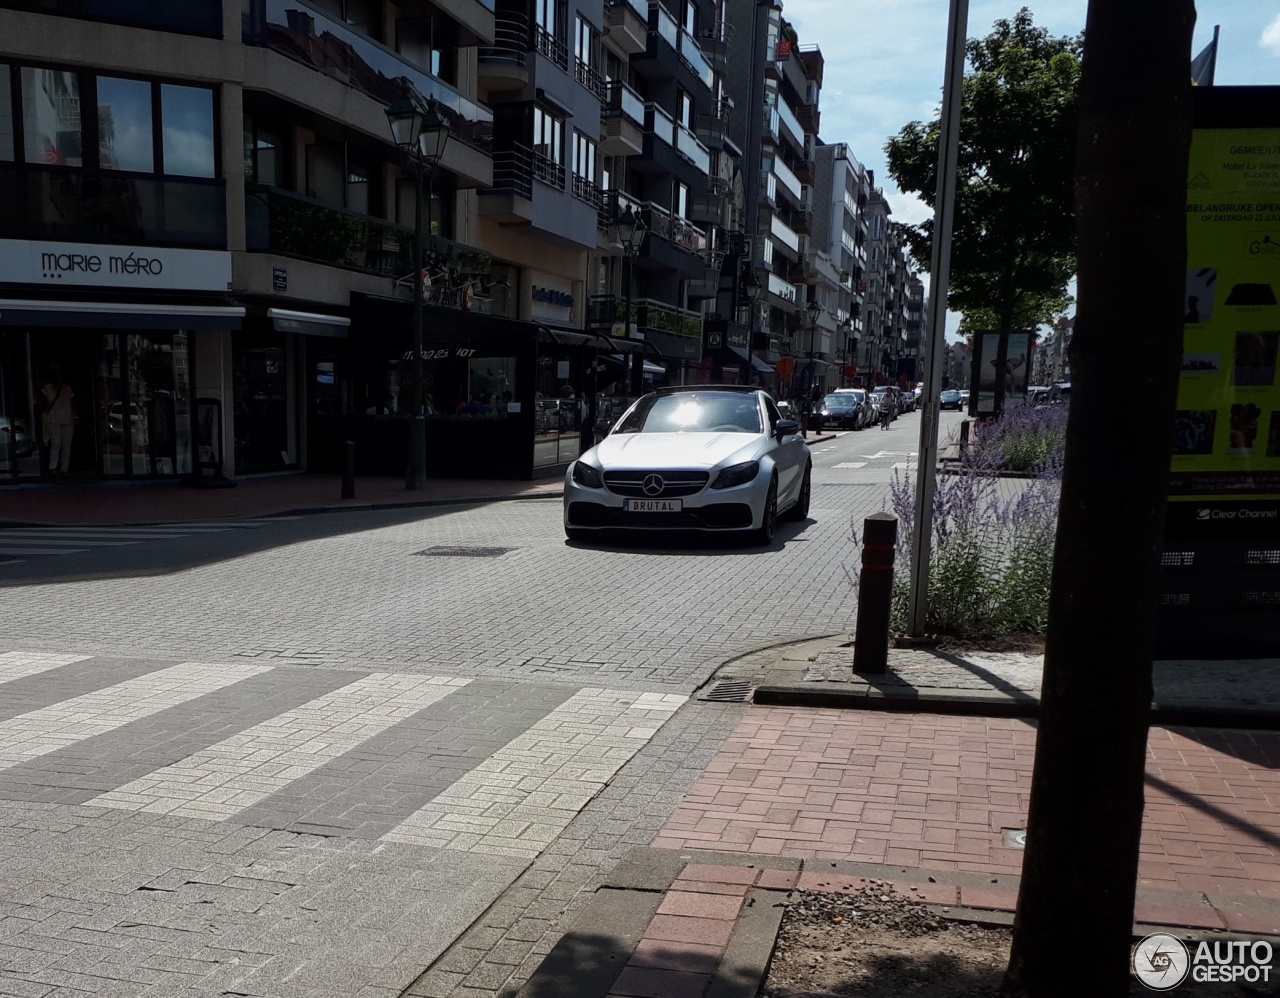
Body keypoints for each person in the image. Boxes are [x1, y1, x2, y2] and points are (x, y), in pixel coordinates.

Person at [41, 365, 76, 478]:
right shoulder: (50, 388)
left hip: (63, 419)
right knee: (58, 444)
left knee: (62, 445)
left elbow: (73, 403)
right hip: (56, 419)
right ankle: (57, 468)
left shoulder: (65, 388)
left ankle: (59, 468)